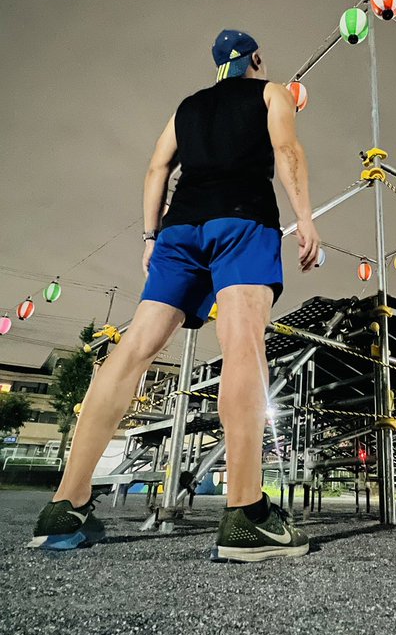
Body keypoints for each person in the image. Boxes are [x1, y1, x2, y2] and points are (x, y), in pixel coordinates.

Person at [30, 29, 321, 560]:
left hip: (179, 230)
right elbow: (286, 149)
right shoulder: (271, 91)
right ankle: (245, 514)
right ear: (255, 59)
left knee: (133, 349)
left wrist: (150, 236)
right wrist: (304, 218)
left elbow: (156, 167)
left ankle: (63, 507)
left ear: (216, 65)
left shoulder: (185, 108)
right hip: (242, 222)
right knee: (242, 346)